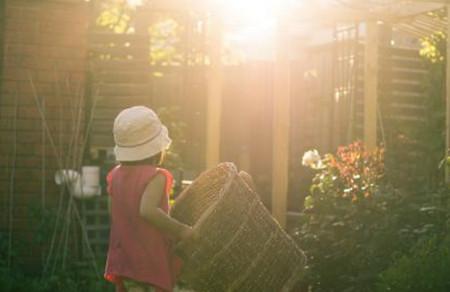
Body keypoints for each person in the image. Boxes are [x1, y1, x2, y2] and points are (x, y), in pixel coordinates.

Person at [104, 106, 193, 292]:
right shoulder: (155, 176)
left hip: (124, 259)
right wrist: (181, 230)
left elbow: (111, 209)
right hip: (148, 261)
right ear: (156, 150)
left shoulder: (115, 176)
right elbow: (147, 210)